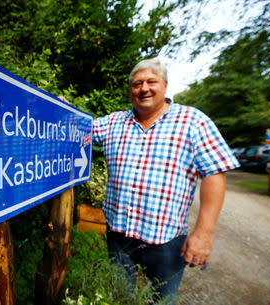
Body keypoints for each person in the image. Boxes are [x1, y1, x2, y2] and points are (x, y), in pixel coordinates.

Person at [91, 58, 240, 303]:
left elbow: (214, 172)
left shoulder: (193, 121)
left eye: (151, 82)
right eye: (137, 83)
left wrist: (204, 233)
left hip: (166, 240)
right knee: (119, 298)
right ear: (131, 89)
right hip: (119, 234)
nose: (144, 88)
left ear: (165, 86)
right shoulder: (113, 122)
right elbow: (78, 129)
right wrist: (60, 110)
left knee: (161, 301)